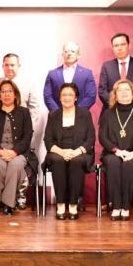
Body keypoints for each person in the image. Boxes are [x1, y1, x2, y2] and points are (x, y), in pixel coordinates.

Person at [0, 53, 41, 210]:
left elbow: (34, 108)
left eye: (13, 64)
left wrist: (26, 124)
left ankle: (7, 201)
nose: (9, 67)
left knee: (15, 165)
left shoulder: (27, 87)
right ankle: (8, 200)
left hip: (19, 143)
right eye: (6, 64)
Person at [99, 79, 133, 221]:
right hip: (113, 153)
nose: (124, 93)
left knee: (129, 164)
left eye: (127, 90)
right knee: (113, 163)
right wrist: (116, 151)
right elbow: (102, 136)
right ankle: (116, 206)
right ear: (115, 95)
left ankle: (125, 207)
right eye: (120, 90)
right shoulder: (108, 113)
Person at [43, 83, 95, 220]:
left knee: (76, 161)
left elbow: (90, 139)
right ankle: (60, 205)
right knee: (57, 161)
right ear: (60, 98)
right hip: (58, 152)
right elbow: (48, 140)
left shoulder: (85, 114)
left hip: (79, 152)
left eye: (70, 95)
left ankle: (73, 205)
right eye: (64, 95)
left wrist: (76, 152)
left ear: (76, 97)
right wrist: (62, 152)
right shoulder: (53, 115)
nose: (67, 97)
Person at [98, 33, 133, 108]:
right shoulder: (106, 66)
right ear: (113, 48)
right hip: (112, 109)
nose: (119, 48)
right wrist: (115, 103)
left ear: (129, 46)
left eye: (123, 44)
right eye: (116, 46)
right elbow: (102, 91)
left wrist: (130, 102)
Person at [42, 42, 97, 111]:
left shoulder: (87, 73)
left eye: (73, 51)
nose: (69, 53)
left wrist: (76, 112)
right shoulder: (52, 74)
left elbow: (91, 96)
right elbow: (47, 96)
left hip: (80, 115)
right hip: (57, 115)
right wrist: (58, 113)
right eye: (66, 51)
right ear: (62, 54)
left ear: (79, 55)